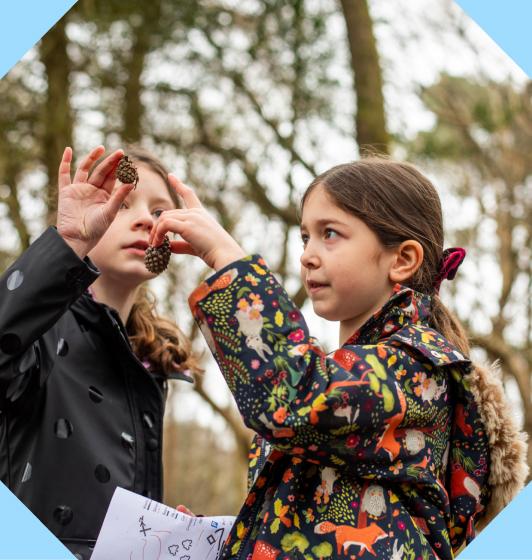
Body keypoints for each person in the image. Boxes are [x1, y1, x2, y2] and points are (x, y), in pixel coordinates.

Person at [150, 157, 528, 559]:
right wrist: (231, 539)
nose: (307, 256)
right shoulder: (346, 372)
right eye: (304, 238)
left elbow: (291, 399)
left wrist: (228, 260)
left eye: (329, 234)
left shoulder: (417, 369)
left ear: (402, 259)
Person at [0, 145, 199, 559]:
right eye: (122, 203)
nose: (147, 219)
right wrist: (67, 243)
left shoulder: (154, 363)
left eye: (161, 211)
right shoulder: (41, 328)